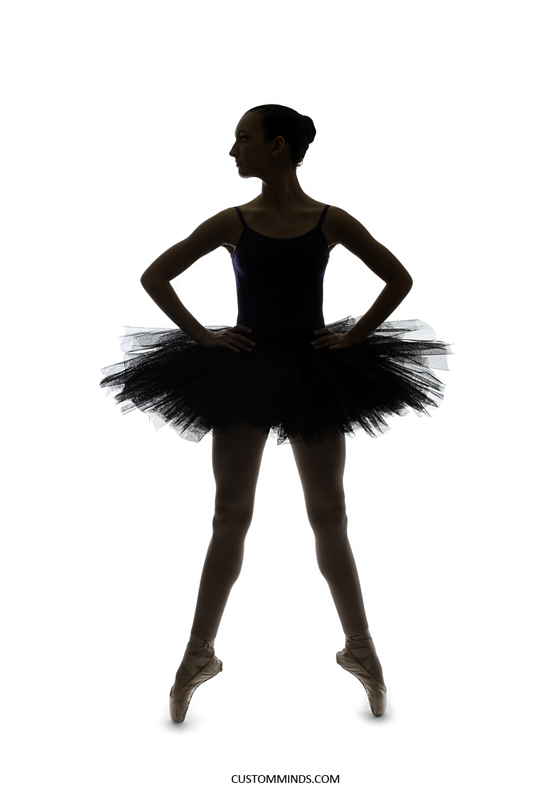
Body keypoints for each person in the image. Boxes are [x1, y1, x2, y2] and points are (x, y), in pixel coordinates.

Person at [99, 103, 452, 722]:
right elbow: (156, 276)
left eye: (243, 138)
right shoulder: (234, 221)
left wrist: (354, 337)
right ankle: (196, 654)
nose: (232, 150)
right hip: (244, 370)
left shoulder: (329, 220)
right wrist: (204, 336)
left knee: (330, 514)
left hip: (315, 369)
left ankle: (363, 650)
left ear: (279, 148)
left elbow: (398, 279)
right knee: (230, 513)